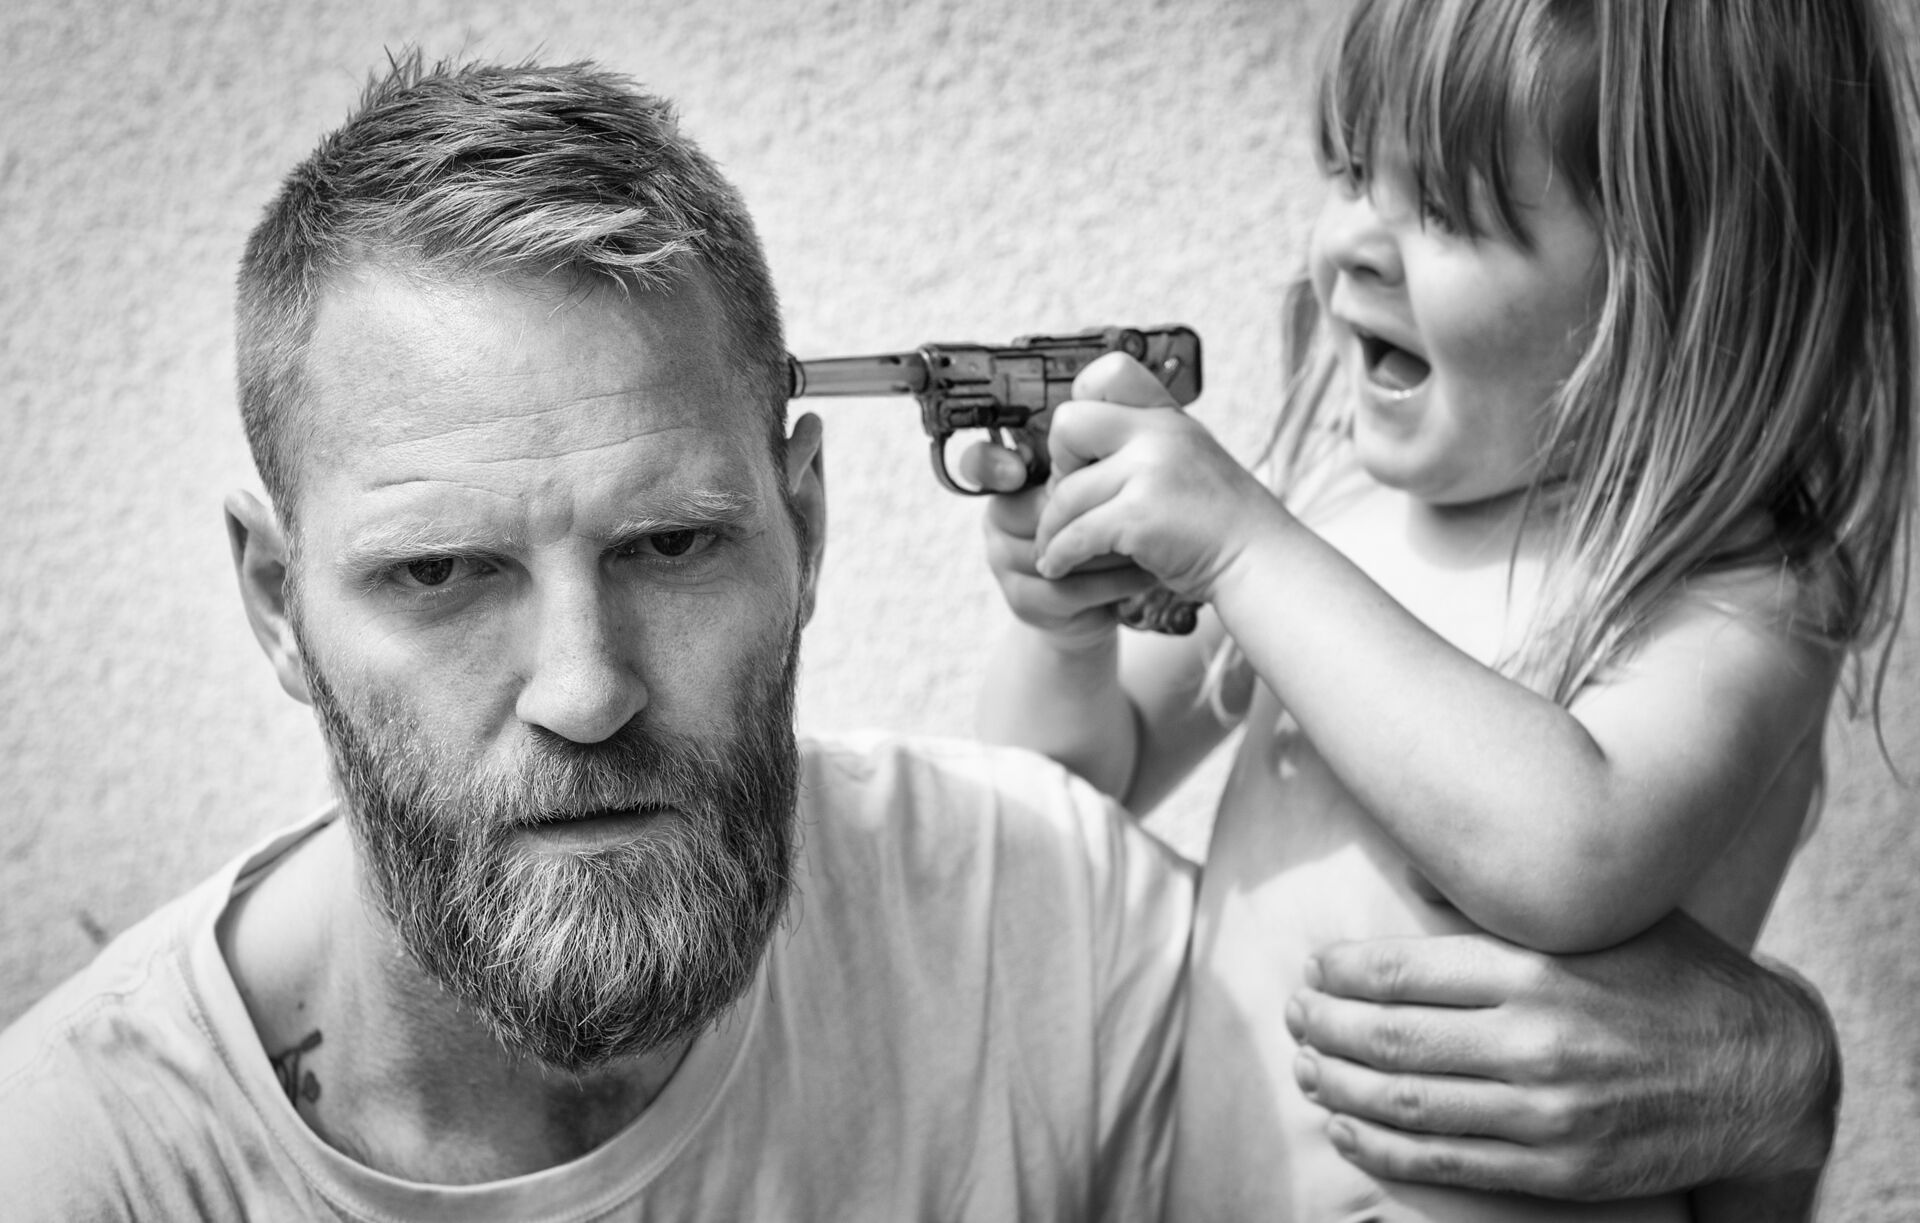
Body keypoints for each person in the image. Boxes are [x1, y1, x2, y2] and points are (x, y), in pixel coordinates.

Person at [0, 50, 1850, 1223]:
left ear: (806, 524)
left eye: (670, 541)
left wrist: (1771, 1079)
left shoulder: (1018, 917)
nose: (584, 685)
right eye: (440, 574)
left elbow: (1073, 809)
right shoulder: (77, 1164)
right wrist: (1092, 609)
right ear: (277, 601)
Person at [972, 0, 1913, 1219]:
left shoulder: (1737, 586)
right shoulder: (1330, 507)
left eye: (1449, 209)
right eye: (1353, 171)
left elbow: (1572, 853)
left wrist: (1246, 547)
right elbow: (1059, 794)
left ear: (1683, 291)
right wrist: (1064, 632)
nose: (1357, 243)